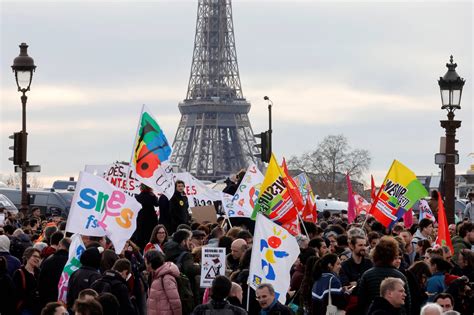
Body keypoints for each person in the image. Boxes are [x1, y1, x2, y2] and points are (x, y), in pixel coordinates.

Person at [357, 236, 411, 315]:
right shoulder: (400, 276)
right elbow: (407, 303)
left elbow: (361, 302)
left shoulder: (367, 275)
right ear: (393, 255)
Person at [38, 237, 70, 308]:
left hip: (48, 300)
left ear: (59, 245)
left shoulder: (49, 260)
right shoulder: (71, 263)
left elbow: (41, 280)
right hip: (64, 302)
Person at [146, 251, 181, 315]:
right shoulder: (153, 275)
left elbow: (175, 301)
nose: (144, 263)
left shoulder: (166, 277)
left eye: (145, 261)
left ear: (150, 263)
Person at [13, 247, 42, 315]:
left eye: (39, 257)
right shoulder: (19, 273)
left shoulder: (40, 272)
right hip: (25, 309)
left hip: (38, 308)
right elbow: (16, 293)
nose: (37, 258)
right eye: (34, 256)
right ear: (27, 257)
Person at [133, 184, 159, 251]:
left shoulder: (137, 197)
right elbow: (157, 204)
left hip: (141, 219)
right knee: (150, 237)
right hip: (151, 220)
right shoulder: (151, 196)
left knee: (141, 238)